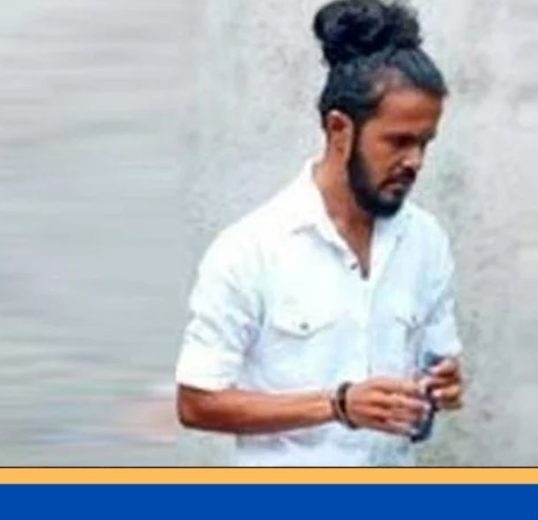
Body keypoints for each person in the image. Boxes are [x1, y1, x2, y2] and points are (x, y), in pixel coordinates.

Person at [174, 0, 464, 467]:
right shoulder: (250, 249)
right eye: (398, 141)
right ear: (339, 129)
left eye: (424, 143)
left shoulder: (427, 242)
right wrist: (338, 405)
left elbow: (437, 367)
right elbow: (196, 403)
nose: (415, 161)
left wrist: (440, 387)